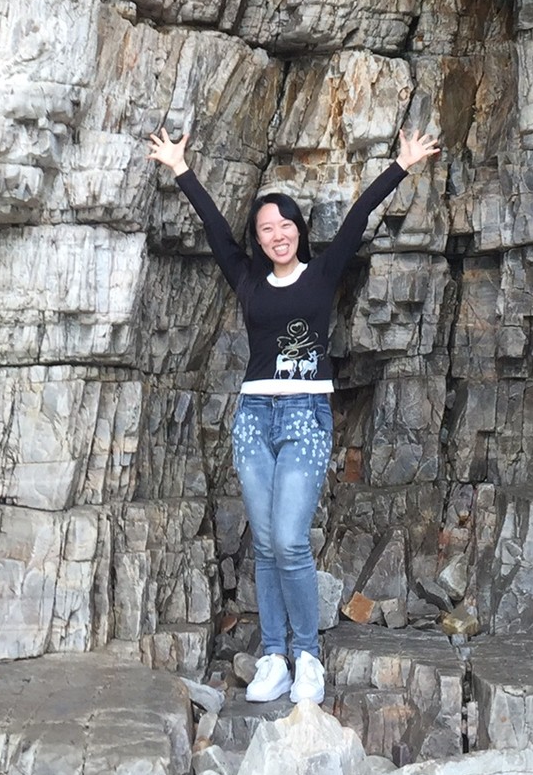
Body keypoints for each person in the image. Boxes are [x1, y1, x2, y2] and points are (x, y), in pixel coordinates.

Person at [148, 124, 441, 705]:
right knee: (265, 544)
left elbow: (359, 216)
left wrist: (402, 165)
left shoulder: (322, 274)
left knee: (289, 540)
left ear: (298, 231)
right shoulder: (247, 279)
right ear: (257, 240)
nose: (277, 235)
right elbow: (214, 228)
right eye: (266, 229)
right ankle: (273, 658)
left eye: (285, 225)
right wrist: (180, 168)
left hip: (306, 414)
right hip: (254, 415)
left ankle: (307, 656)